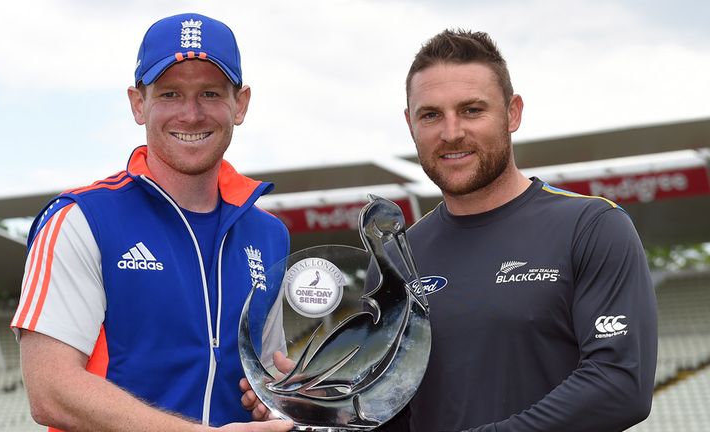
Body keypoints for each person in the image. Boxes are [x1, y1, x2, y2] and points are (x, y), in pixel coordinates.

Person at [244, 29, 658, 431]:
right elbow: (392, 410)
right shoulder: (398, 258)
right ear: (410, 123)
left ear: (512, 113)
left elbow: (619, 384)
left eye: (472, 110)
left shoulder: (591, 226)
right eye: (431, 115)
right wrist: (316, 409)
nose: (451, 132)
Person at [11, 12, 293, 432]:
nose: (191, 114)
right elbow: (50, 390)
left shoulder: (269, 234)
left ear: (241, 104)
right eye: (170, 94)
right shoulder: (81, 219)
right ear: (138, 103)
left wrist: (281, 396)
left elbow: (268, 378)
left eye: (211, 93)